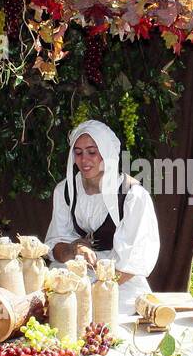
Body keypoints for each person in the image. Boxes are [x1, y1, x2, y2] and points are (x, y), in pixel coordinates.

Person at [45, 120, 160, 313]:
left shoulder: (133, 196)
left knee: (112, 319)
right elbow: (55, 246)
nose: (84, 160)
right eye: (78, 152)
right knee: (55, 308)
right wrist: (73, 249)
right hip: (75, 274)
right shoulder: (64, 191)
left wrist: (95, 291)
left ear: (107, 153)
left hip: (120, 280)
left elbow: (132, 262)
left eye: (92, 152)